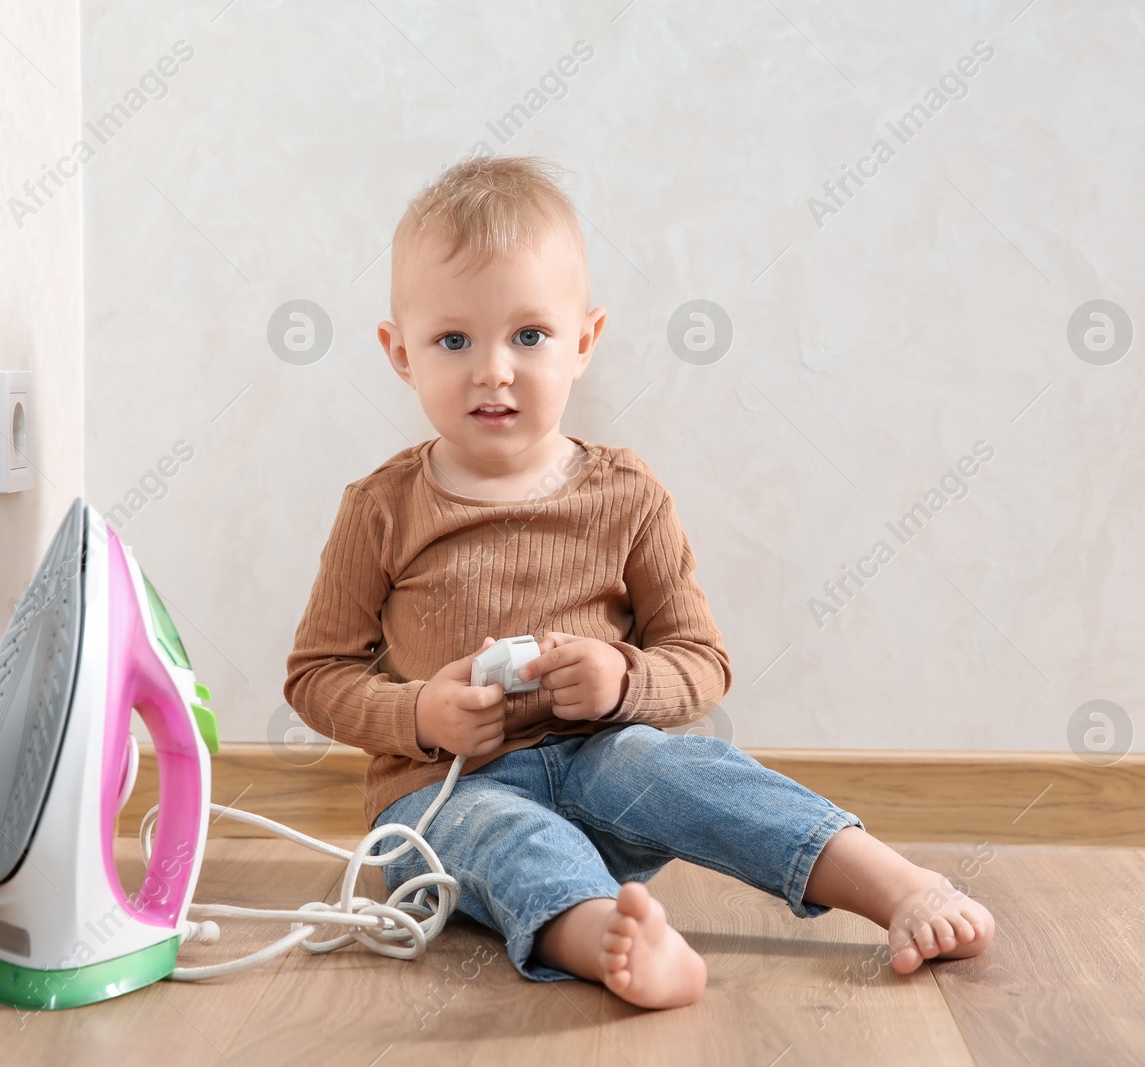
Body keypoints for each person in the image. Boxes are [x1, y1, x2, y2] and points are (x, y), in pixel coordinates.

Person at [284, 154, 993, 1009]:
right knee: (506, 835)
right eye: (454, 340)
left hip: (601, 772)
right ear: (400, 354)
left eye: (530, 335)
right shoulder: (381, 509)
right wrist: (419, 714)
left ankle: (897, 885)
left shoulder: (628, 495)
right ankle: (608, 941)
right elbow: (316, 675)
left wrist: (623, 680)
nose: (494, 369)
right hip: (440, 803)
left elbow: (703, 661)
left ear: (585, 341)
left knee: (683, 767)